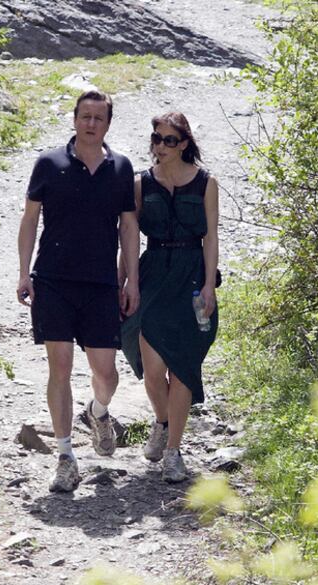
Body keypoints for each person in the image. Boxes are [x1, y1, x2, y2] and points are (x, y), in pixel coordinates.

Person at [17, 90, 140, 493]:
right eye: (85, 116)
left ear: (107, 124)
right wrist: (24, 273)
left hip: (102, 283)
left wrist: (131, 281)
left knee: (106, 373)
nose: (91, 123)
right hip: (52, 280)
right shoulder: (49, 163)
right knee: (61, 367)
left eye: (99, 118)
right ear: (74, 119)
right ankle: (66, 456)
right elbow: (30, 219)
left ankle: (98, 412)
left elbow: (128, 227)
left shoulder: (121, 168)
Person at [119, 111, 219, 483]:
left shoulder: (207, 183)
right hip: (154, 274)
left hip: (192, 278)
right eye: (156, 138)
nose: (160, 146)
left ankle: (173, 452)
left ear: (185, 143)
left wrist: (209, 284)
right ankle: (162, 421)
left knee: (184, 369)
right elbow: (127, 238)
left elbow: (211, 238)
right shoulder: (140, 184)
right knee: (153, 370)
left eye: (169, 140)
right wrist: (124, 281)